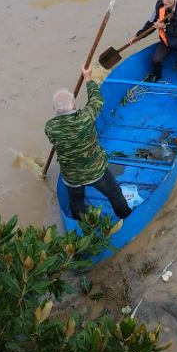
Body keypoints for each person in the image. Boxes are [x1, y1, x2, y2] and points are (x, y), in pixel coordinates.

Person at [44, 67, 131, 233]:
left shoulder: (50, 127)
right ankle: (126, 215)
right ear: (74, 104)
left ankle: (82, 226)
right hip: (95, 172)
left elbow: (56, 129)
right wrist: (88, 79)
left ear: (56, 110)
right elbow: (97, 100)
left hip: (71, 177)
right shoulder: (85, 118)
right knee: (114, 194)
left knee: (76, 201)